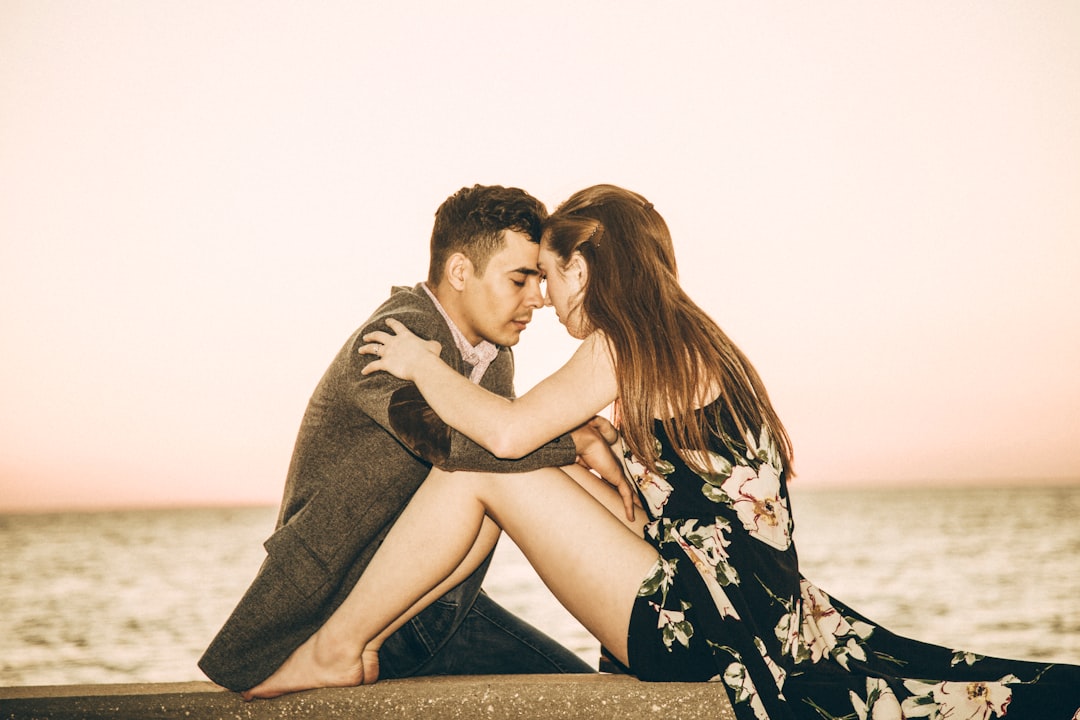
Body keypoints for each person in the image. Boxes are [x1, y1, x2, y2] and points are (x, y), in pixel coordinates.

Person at [244, 185, 1080, 720]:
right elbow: (677, 507)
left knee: (476, 476)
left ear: (583, 267)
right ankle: (355, 644)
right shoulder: (686, 340)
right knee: (523, 474)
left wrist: (424, 363)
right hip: (738, 612)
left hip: (698, 627)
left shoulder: (617, 346)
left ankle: (335, 648)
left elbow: (500, 437)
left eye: (549, 273)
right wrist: (596, 455)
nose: (544, 294)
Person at [199, 184, 628, 693]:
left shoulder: (494, 355)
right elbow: (441, 444)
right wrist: (572, 441)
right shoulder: (392, 337)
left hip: (435, 602)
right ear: (460, 272)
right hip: (344, 599)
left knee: (586, 694)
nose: (537, 297)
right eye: (520, 279)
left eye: (538, 278)